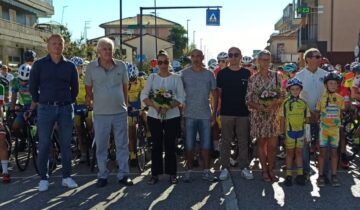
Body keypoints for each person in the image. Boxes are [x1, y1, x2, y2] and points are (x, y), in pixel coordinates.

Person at [29, 34, 79, 192]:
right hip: (45, 108)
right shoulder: (39, 65)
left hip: (65, 108)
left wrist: (67, 101)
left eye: (60, 44)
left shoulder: (70, 66)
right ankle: (43, 178)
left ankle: (66, 177)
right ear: (48, 46)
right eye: (54, 43)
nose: (57, 46)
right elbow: (32, 86)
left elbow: (75, 89)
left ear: (64, 46)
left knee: (65, 144)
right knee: (43, 144)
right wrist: (40, 101)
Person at [84, 37, 133, 187]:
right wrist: (91, 103)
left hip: (119, 112)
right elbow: (88, 90)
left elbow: (125, 87)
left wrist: (125, 104)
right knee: (101, 146)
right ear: (98, 51)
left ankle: (124, 175)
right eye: (104, 48)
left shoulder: (121, 66)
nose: (107, 51)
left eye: (110, 48)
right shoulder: (91, 67)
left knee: (122, 145)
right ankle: (102, 175)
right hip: (100, 114)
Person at [141, 50, 185, 185]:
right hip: (154, 116)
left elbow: (181, 97)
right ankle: (155, 174)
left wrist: (168, 106)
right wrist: (156, 106)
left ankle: (172, 174)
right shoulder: (152, 78)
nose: (163, 65)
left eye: (165, 62)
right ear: (157, 64)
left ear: (169, 62)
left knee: (171, 145)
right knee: (156, 146)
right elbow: (144, 96)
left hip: (172, 117)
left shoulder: (176, 78)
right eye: (160, 62)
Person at [246, 50, 283, 182]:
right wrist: (261, 107)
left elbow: (282, 95)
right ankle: (264, 170)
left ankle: (271, 169)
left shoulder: (277, 76)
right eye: (262, 59)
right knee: (261, 144)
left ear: (270, 61)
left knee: (273, 145)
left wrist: (273, 104)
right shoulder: (253, 78)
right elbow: (248, 99)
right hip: (259, 116)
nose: (265, 62)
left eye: (267, 59)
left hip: (273, 115)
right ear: (258, 61)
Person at [181, 49, 218, 182]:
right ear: (191, 58)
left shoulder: (209, 74)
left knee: (206, 145)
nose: (195, 58)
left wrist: (214, 114)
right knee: (189, 146)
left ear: (202, 58)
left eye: (198, 56)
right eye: (193, 56)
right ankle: (189, 170)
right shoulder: (184, 74)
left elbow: (215, 95)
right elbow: (180, 96)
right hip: (189, 115)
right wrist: (181, 116)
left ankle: (206, 171)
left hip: (205, 115)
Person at [217, 47, 253, 181]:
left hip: (243, 113)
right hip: (226, 113)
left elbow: (251, 93)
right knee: (225, 142)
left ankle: (244, 167)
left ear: (240, 56)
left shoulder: (247, 73)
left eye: (236, 55)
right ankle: (224, 168)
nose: (233, 57)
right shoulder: (222, 74)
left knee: (243, 142)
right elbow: (218, 94)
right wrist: (217, 111)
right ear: (228, 57)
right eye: (230, 55)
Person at [295, 48, 328, 181]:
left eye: (319, 56)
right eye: (316, 56)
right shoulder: (299, 76)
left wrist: (319, 111)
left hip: (323, 116)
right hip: (305, 116)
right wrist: (309, 112)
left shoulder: (326, 75)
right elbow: (297, 96)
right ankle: (304, 172)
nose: (319, 59)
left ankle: (323, 173)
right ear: (307, 59)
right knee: (305, 145)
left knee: (323, 145)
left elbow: (328, 95)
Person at [280, 78, 310, 186]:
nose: (295, 91)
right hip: (289, 132)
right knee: (289, 153)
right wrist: (281, 133)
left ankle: (300, 174)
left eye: (297, 89)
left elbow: (307, 120)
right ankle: (288, 175)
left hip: (301, 132)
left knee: (299, 153)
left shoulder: (303, 103)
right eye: (292, 89)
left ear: (300, 90)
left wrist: (308, 135)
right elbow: (282, 119)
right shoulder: (285, 103)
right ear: (289, 90)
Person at [315, 72, 344, 187]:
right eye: (330, 83)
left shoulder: (340, 98)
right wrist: (320, 123)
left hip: (335, 131)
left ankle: (334, 175)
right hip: (324, 130)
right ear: (326, 85)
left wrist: (336, 123)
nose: (332, 85)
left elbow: (340, 113)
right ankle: (321, 175)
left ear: (337, 86)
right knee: (322, 153)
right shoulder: (321, 99)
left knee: (334, 153)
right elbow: (317, 113)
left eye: (335, 84)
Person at [70, 56, 93, 163]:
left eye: (78, 67)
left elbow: (93, 92)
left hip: (88, 106)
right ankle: (83, 153)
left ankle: (95, 146)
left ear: (81, 67)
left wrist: (91, 103)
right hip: (76, 106)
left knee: (90, 126)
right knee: (79, 131)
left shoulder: (87, 78)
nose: (76, 69)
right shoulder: (69, 79)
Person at [126, 62, 145, 166]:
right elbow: (123, 96)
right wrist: (129, 106)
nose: (131, 81)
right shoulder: (124, 83)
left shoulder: (141, 80)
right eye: (130, 79)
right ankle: (132, 155)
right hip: (129, 106)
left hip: (140, 103)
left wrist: (143, 106)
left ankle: (148, 133)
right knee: (131, 133)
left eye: (133, 79)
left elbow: (146, 92)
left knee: (145, 115)